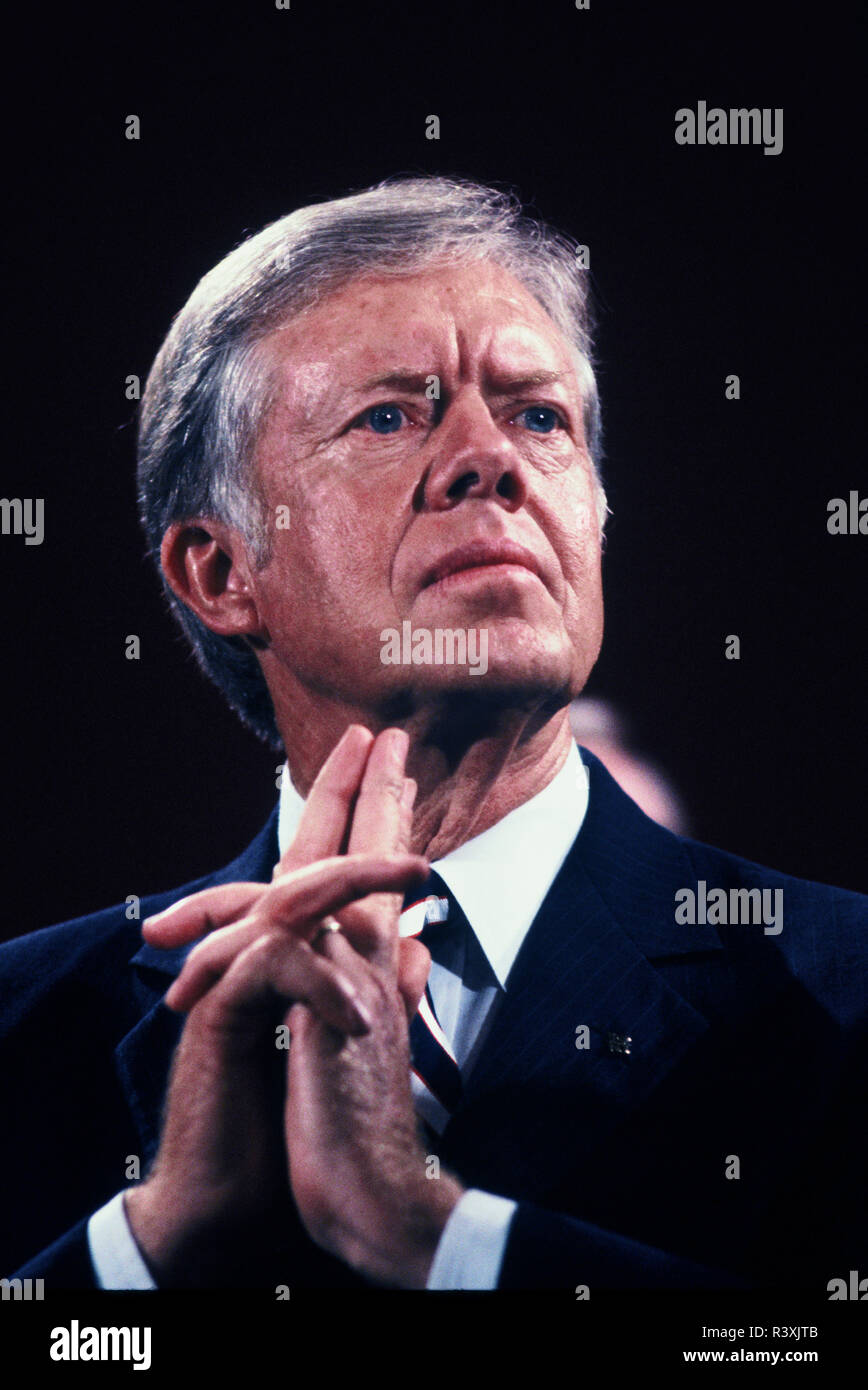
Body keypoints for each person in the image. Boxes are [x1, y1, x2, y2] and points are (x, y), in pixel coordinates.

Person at [2, 177, 865, 1291]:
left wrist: (430, 1235)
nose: (489, 459)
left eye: (537, 415)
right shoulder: (26, 1032)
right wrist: (155, 1242)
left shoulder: (839, 992)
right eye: (391, 416)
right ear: (220, 573)